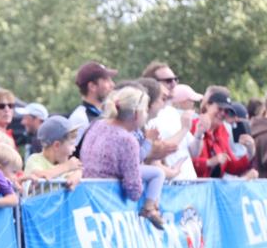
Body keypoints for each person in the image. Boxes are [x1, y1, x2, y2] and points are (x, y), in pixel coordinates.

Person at [80, 87, 165, 229]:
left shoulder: (97, 125)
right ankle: (149, 208)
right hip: (107, 204)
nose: (146, 115)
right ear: (137, 114)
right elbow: (133, 191)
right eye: (145, 110)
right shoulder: (127, 140)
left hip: (87, 193)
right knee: (158, 173)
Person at [190, 90, 255, 178]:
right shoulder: (193, 126)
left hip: (212, 189)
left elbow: (232, 167)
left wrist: (250, 152)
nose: (223, 113)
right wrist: (209, 162)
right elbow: (185, 162)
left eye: (227, 111)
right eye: (219, 108)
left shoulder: (222, 131)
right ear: (208, 105)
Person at [147, 83, 198, 180]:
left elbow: (194, 152)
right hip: (169, 187)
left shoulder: (172, 112)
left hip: (188, 182)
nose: (173, 83)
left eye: (175, 79)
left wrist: (200, 132)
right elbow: (157, 153)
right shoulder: (150, 119)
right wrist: (184, 129)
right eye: (168, 80)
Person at [69, 61, 117, 153]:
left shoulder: (106, 113)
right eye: (107, 80)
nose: (112, 85)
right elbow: (72, 156)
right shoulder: (80, 118)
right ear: (92, 86)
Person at [24, 116, 83, 189]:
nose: (74, 149)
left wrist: (78, 173)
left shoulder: (65, 164)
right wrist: (67, 166)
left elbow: (77, 172)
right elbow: (40, 176)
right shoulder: (35, 159)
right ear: (57, 145)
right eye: (71, 144)